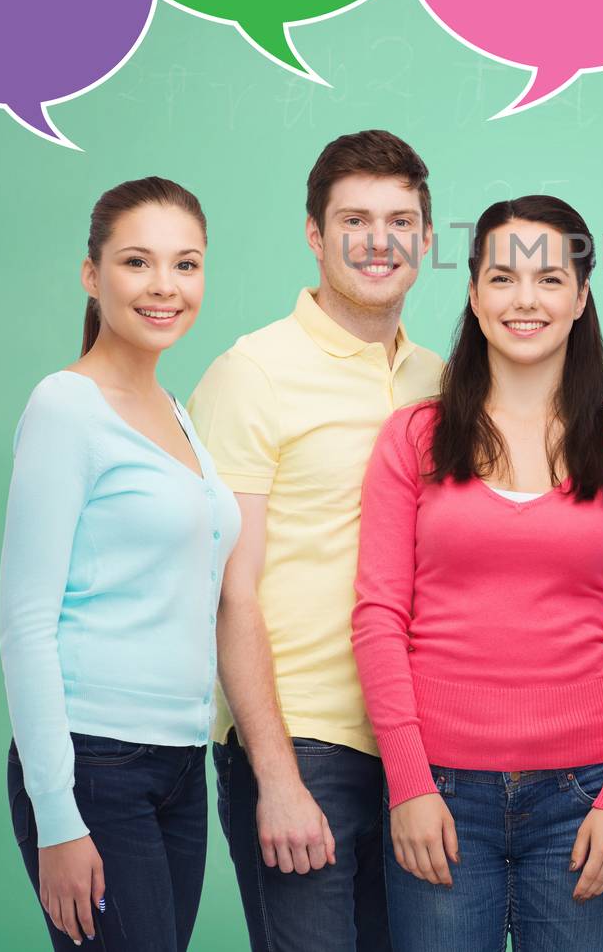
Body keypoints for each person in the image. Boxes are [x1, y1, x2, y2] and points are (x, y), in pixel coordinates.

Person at [352, 196, 603, 952]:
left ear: (581, 297)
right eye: (502, 277)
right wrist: (409, 781)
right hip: (441, 791)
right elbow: (377, 618)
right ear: (473, 294)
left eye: (549, 279)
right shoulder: (415, 439)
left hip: (583, 799)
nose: (525, 299)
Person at [189, 130, 443, 952]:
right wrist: (276, 776)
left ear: (428, 238)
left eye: (400, 219)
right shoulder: (251, 373)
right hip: (303, 743)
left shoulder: (442, 381)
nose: (379, 241)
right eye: (354, 219)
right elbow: (228, 589)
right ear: (313, 233)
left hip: (419, 749)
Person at [0, 177, 240, 952]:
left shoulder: (177, 414)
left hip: (177, 761)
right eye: (138, 262)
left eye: (187, 264)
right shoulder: (65, 407)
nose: (165, 287)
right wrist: (57, 813)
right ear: (92, 273)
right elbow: (26, 624)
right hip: (93, 762)